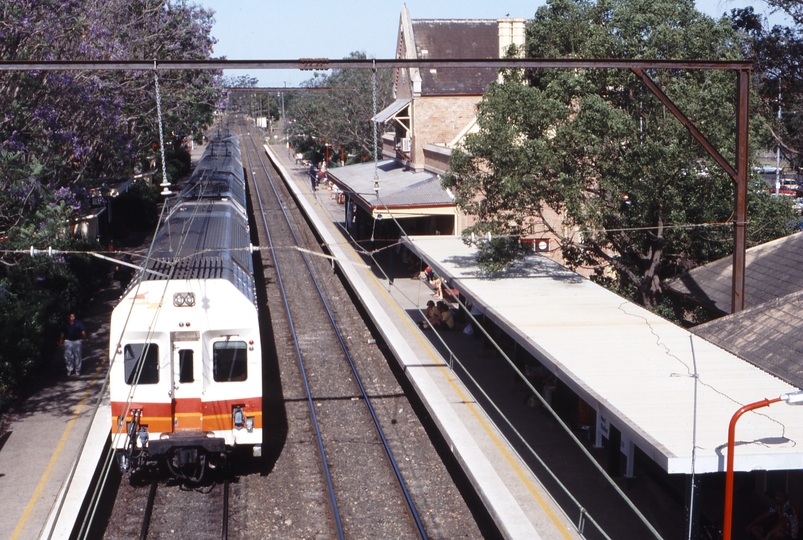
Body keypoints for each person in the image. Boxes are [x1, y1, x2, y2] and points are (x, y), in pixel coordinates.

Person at [59, 312, 88, 376]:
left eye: (73, 316)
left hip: (77, 341)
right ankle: (70, 369)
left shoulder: (79, 323)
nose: (72, 318)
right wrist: (61, 342)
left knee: (78, 356)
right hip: (68, 341)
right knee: (68, 356)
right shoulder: (65, 324)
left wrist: (85, 339)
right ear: (68, 317)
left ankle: (78, 370)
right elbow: (62, 333)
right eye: (71, 316)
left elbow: (83, 331)